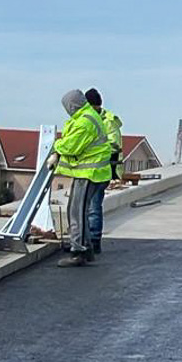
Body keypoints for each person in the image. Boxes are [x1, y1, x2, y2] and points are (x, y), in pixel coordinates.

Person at [51, 89, 112, 267]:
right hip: (89, 172)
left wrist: (56, 147)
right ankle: (85, 247)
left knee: (78, 212)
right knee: (75, 209)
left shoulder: (85, 122)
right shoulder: (86, 117)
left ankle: (79, 251)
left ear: (72, 106)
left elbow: (71, 146)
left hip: (90, 173)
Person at [84, 88, 123, 257]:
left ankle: (94, 241)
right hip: (87, 170)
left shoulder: (108, 121)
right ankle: (85, 240)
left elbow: (114, 145)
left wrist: (90, 149)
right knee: (86, 207)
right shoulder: (87, 119)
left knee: (93, 206)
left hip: (101, 170)